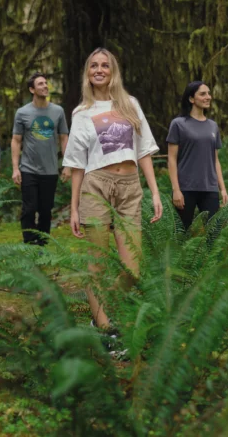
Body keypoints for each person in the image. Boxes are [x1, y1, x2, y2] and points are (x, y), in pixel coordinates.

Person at [62, 48, 163, 329]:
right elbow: (77, 163)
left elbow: (143, 150)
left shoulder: (130, 104)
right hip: (96, 186)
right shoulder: (81, 113)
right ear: (87, 73)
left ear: (112, 71)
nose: (99, 69)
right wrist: (74, 207)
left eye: (105, 65)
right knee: (97, 265)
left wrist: (154, 191)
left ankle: (106, 306)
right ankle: (103, 326)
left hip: (130, 188)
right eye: (93, 65)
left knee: (133, 269)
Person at [11, 73, 70, 246]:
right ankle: (29, 243)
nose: (45, 86)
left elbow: (64, 137)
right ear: (32, 89)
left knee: (45, 211)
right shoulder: (22, 113)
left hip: (50, 170)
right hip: (28, 169)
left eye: (46, 83)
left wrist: (67, 164)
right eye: (40, 84)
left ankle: (42, 244)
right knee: (29, 209)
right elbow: (16, 140)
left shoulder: (58, 111)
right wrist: (16, 168)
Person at [166, 81, 228, 231]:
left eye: (208, 93)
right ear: (191, 99)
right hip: (186, 188)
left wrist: (223, 188)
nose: (208, 97)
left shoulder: (213, 126)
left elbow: (215, 160)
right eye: (202, 94)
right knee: (182, 233)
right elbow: (171, 159)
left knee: (214, 234)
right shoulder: (178, 124)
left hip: (209, 188)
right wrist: (176, 190)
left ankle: (209, 256)